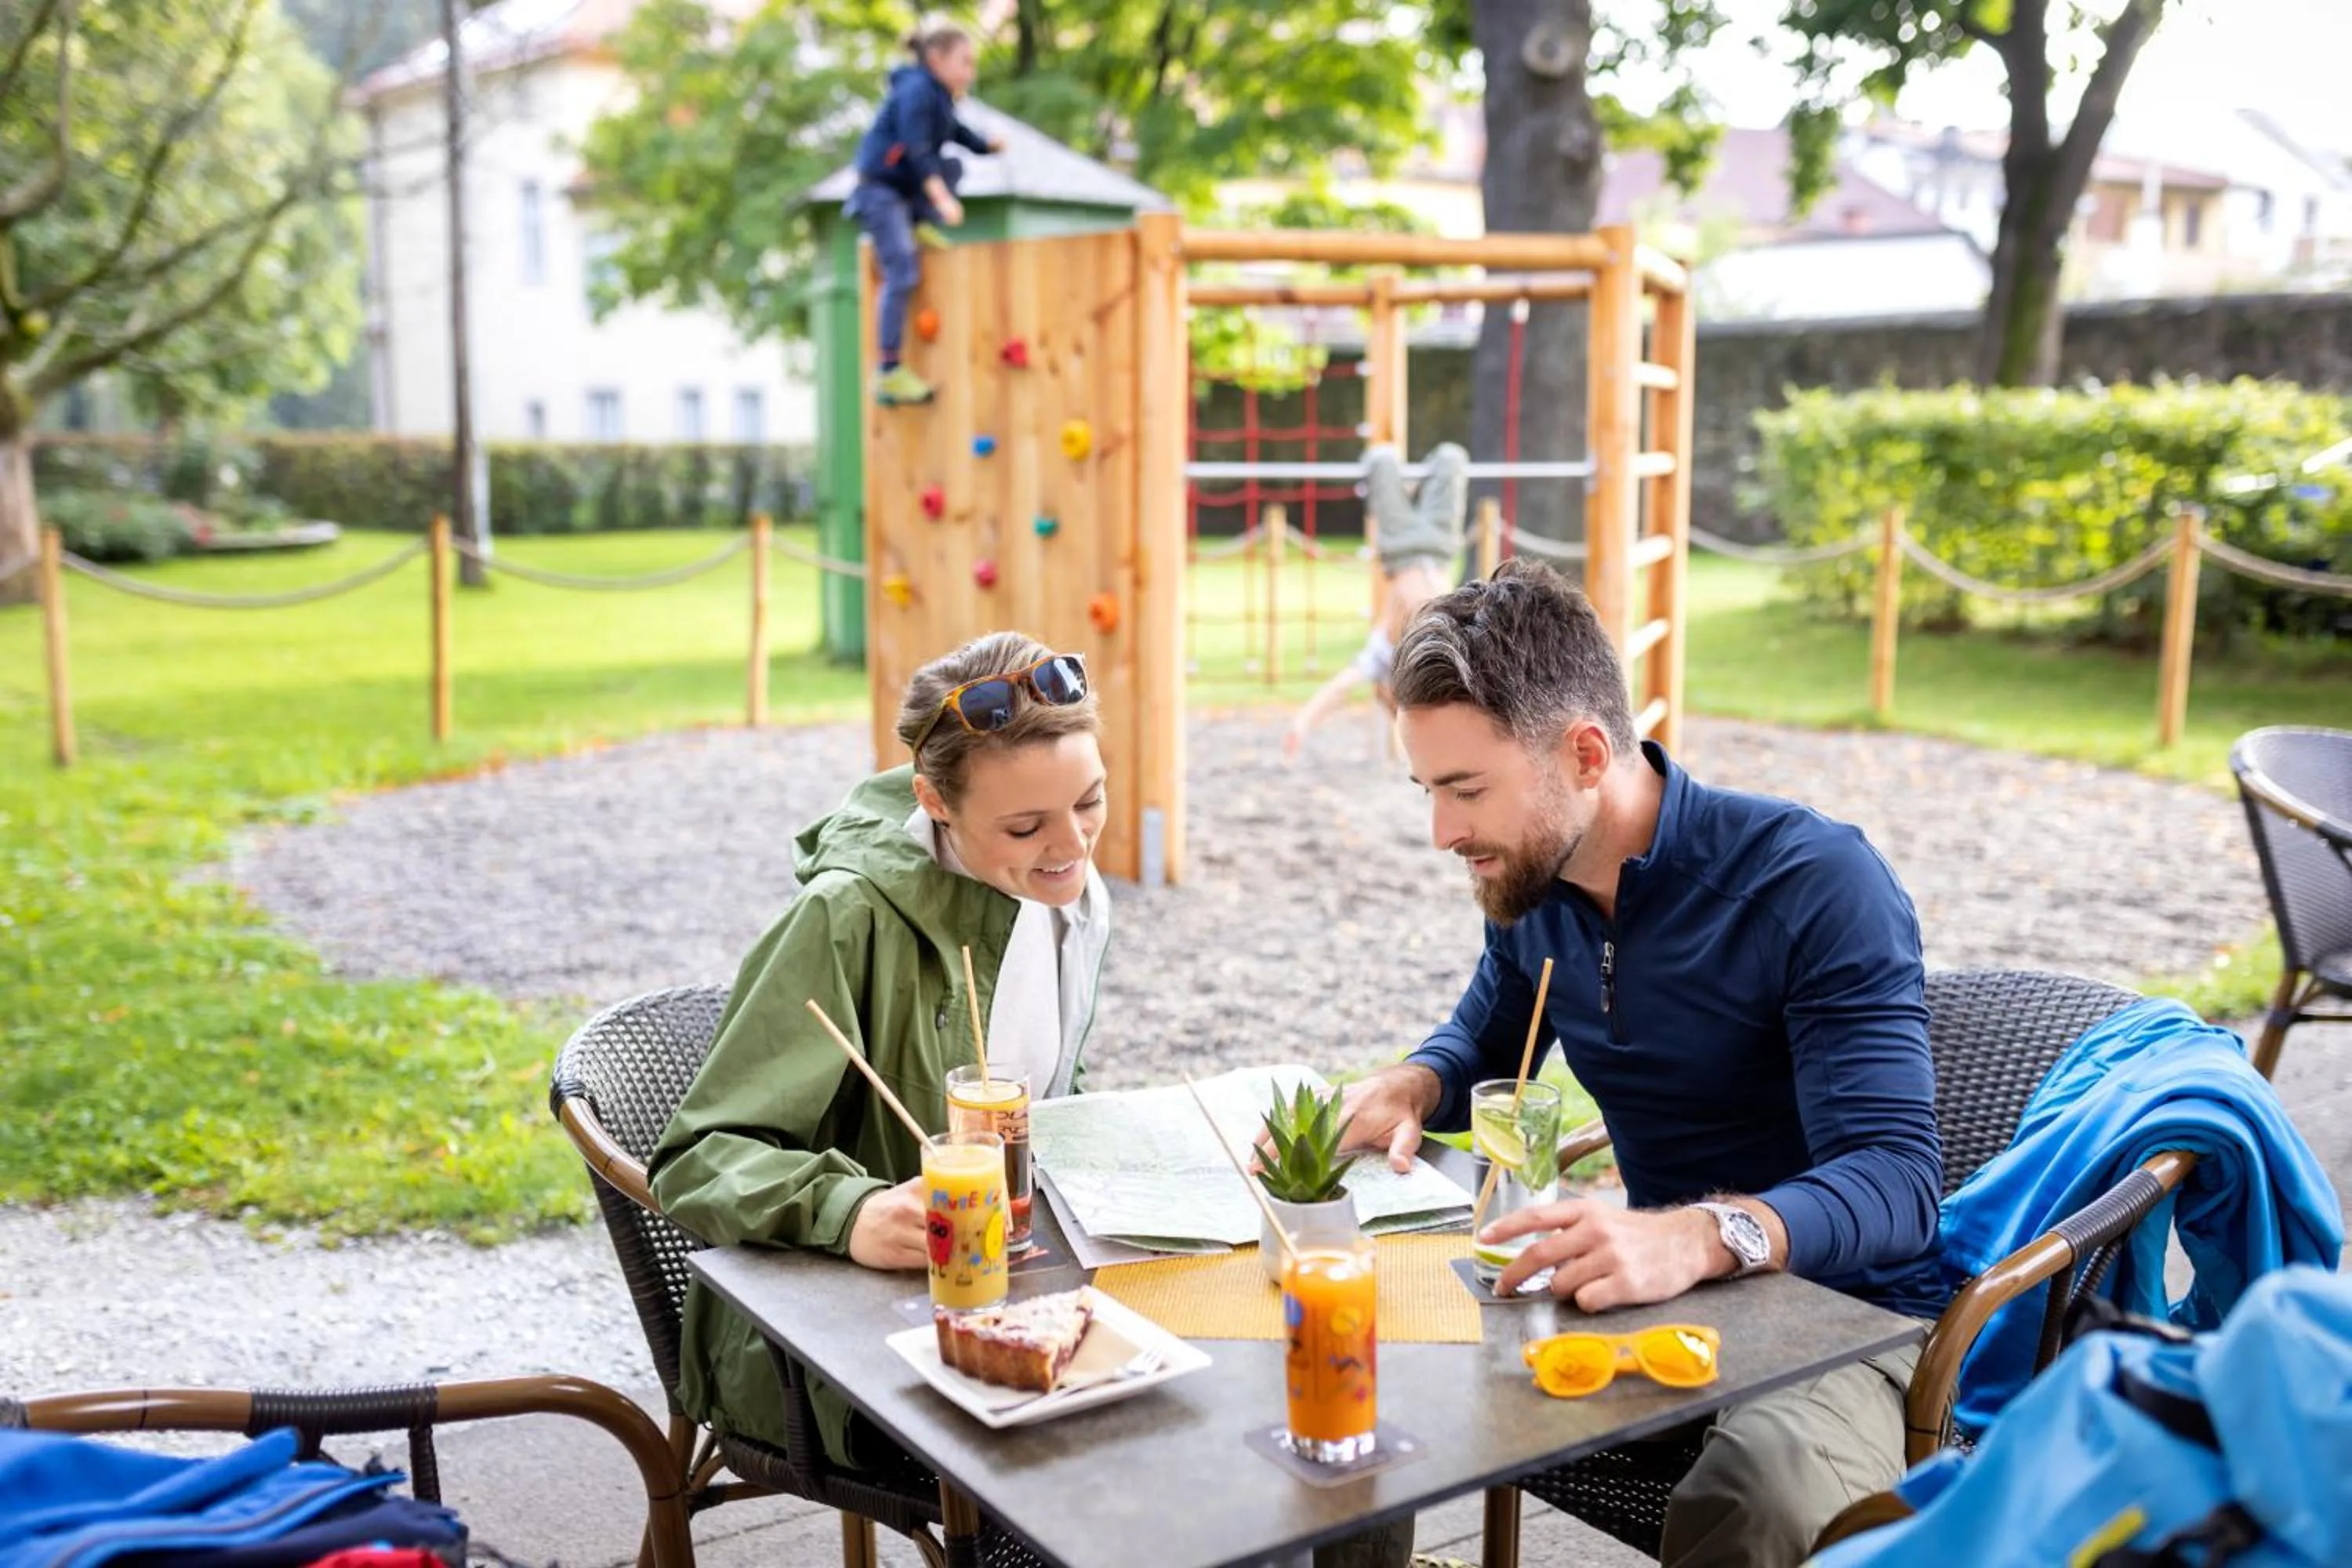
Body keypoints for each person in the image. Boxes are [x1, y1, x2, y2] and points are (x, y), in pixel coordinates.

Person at [1334, 558, 1947, 1568]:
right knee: (1353, 1356)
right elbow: (1488, 1036)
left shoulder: (1814, 883)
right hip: (1642, 1291)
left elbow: (1897, 1181)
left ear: (1585, 754)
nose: (1443, 832)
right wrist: (1418, 1079)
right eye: (1428, 790)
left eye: (1466, 789)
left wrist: (1702, 1234)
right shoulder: (1533, 883)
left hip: (1841, 1313)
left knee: (1763, 1489)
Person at [648, 631, 1112, 1472]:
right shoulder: (843, 917)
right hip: (835, 1352)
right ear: (935, 801)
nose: (1074, 845)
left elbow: (1051, 1088)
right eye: (1024, 825)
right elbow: (697, 1158)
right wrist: (851, 1212)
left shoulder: (1069, 892)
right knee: (1106, 1460)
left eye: (1090, 801)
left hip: (1011, 1289)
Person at [846, 16, 1004, 408]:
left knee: (954, 165)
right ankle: (888, 369)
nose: (970, 72)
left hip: (903, 195)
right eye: (964, 62)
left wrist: (988, 145)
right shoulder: (916, 91)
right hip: (880, 191)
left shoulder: (939, 99)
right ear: (936, 58)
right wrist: (942, 200)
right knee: (902, 271)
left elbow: (959, 135)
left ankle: (915, 223)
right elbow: (917, 150)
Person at [1284, 442, 1469, 760]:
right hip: (1440, 547)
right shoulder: (1444, 660)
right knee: (1452, 457)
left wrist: (1302, 723)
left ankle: (1400, 485)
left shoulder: (1384, 655)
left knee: (1382, 460)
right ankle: (1416, 483)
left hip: (1401, 549)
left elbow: (1340, 688)